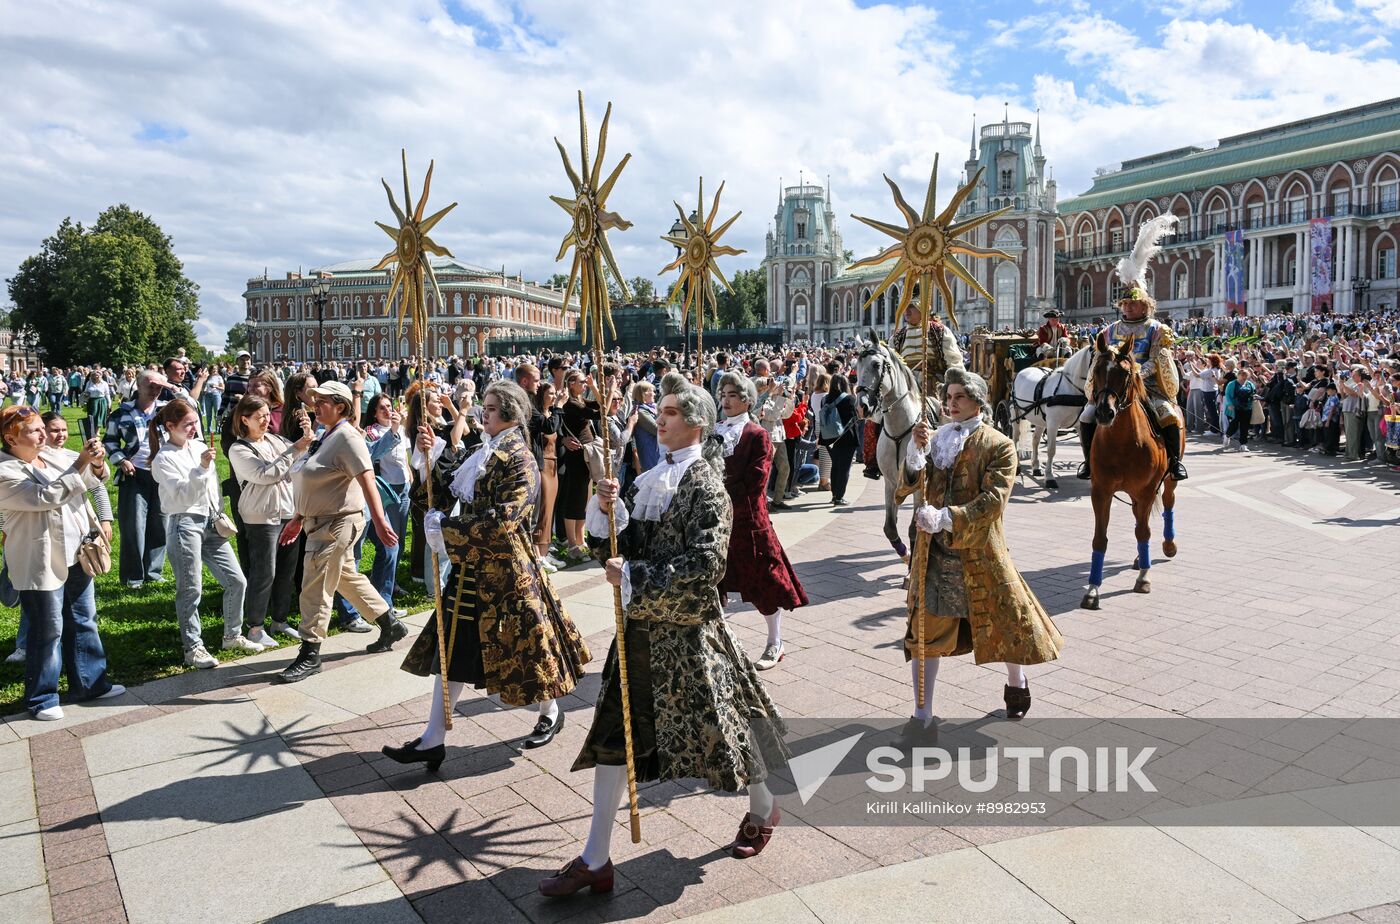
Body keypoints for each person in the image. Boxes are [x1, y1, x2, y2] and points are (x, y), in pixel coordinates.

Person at [539, 373, 786, 897]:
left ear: (694, 423)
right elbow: (624, 543)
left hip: (689, 641)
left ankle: (764, 807)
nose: (661, 420)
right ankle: (595, 858)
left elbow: (704, 568)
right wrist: (610, 508)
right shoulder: (651, 476)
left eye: (670, 413)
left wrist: (634, 577)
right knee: (613, 738)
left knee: (726, 735)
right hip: (638, 633)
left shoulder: (706, 488)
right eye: (662, 411)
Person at [384, 381, 591, 768]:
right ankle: (434, 737)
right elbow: (443, 496)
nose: (484, 413)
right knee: (455, 648)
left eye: (492, 408)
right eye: (484, 406)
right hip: (470, 567)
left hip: (507, 569)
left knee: (526, 649)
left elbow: (506, 520)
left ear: (511, 414)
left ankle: (550, 711)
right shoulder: (483, 450)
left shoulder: (521, 458)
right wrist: (426, 460)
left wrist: (447, 533)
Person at [898, 368, 1064, 748]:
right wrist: (915, 453)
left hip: (980, 551)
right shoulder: (936, 438)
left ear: (977, 400)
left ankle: (1016, 681)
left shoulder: (999, 445)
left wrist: (947, 517)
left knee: (1006, 623)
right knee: (924, 631)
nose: (950, 403)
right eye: (947, 396)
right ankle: (922, 718)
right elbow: (911, 483)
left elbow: (993, 500)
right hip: (935, 554)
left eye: (958, 396)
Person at [0, 405, 125, 720]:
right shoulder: (4, 471)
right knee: (48, 628)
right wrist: (82, 464)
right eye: (34, 430)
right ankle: (42, 698)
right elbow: (44, 497)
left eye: (43, 427)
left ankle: (90, 684)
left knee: (84, 619)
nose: (44, 434)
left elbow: (96, 479)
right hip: (39, 561)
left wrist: (96, 463)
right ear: (10, 438)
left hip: (77, 553)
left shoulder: (55, 456)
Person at [278, 381, 407, 683]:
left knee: (316, 583)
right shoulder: (326, 435)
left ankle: (310, 652)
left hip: (337, 522)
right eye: (316, 400)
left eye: (322, 401)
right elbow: (314, 481)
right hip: (318, 520)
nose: (315, 405)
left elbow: (367, 478)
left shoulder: (348, 437)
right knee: (345, 577)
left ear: (341, 406)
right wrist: (299, 517)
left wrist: (380, 520)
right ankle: (389, 622)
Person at [1077, 218, 1188, 481]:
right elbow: (1100, 359)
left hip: (1147, 386)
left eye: (1132, 304)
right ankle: (1088, 463)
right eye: (1124, 304)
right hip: (1115, 386)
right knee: (1087, 414)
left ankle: (1174, 463)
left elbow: (1158, 360)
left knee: (1169, 415)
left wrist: (1136, 371)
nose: (1127, 308)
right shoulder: (1110, 330)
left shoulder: (1157, 330)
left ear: (1144, 306)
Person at [149, 399, 254, 667]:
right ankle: (192, 648)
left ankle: (232, 635)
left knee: (236, 581)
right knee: (190, 588)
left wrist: (218, 512)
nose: (194, 428)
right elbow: (184, 494)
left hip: (210, 521)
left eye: (196, 422)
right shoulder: (163, 459)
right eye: (188, 424)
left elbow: (211, 490)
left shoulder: (197, 447)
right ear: (170, 426)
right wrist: (202, 468)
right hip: (184, 523)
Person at [715, 371, 808, 670]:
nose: (727, 400)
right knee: (714, 583)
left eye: (733, 395)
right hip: (716, 521)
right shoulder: (714, 431)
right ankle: (718, 645)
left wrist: (720, 493)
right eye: (724, 395)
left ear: (746, 400)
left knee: (764, 583)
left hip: (749, 520)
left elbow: (757, 480)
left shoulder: (757, 434)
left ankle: (775, 642)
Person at [228, 395, 312, 646]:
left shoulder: (276, 440)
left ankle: (280, 620)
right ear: (245, 420)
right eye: (259, 417)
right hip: (261, 517)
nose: (266, 420)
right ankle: (254, 626)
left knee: (286, 572)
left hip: (288, 512)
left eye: (267, 414)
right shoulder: (239, 448)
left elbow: (305, 456)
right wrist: (295, 450)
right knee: (265, 572)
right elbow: (266, 474)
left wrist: (308, 433)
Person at [104, 369, 169, 588]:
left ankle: (153, 571)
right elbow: (110, 441)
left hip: (163, 475)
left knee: (160, 523)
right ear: (138, 386)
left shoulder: (167, 411)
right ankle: (133, 576)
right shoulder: (122, 413)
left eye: (159, 387)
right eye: (150, 386)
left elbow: (192, 411)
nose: (154, 391)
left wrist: (173, 388)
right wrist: (121, 460)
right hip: (134, 474)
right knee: (133, 525)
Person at [363, 394, 410, 613]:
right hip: (385, 491)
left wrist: (409, 474)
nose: (387, 411)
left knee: (397, 542)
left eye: (389, 406)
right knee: (390, 543)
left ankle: (385, 585)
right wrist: (393, 429)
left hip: (403, 489)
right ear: (374, 412)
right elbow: (375, 455)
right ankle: (383, 595)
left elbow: (404, 458)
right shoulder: (371, 432)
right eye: (381, 408)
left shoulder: (398, 428)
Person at [556, 369, 600, 564]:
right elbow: (598, 414)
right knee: (575, 498)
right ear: (571, 383)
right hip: (576, 455)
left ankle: (581, 540)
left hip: (586, 453)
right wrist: (596, 388)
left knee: (584, 497)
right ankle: (572, 543)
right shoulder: (570, 403)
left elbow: (601, 405)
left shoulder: (580, 399)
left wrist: (593, 387)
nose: (585, 384)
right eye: (582, 382)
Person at [823, 374, 862, 505]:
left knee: (835, 466)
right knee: (844, 468)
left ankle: (834, 495)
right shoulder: (850, 399)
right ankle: (839, 497)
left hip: (829, 437)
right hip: (847, 437)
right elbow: (857, 416)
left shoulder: (825, 399)